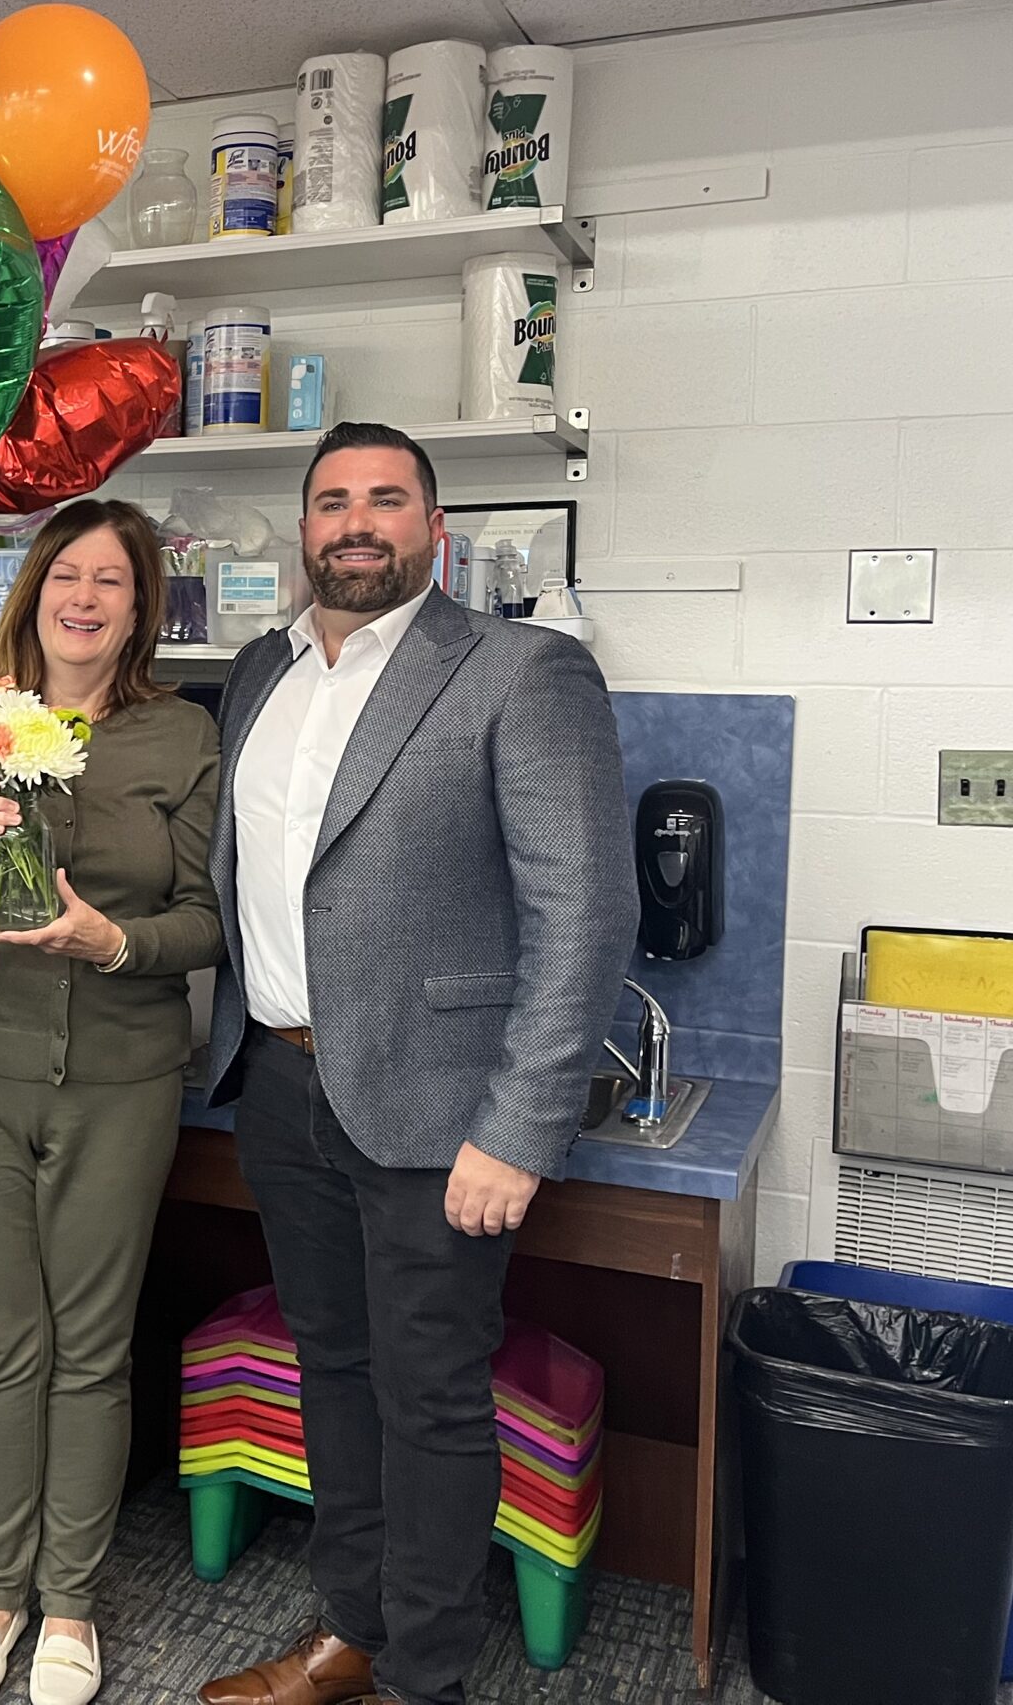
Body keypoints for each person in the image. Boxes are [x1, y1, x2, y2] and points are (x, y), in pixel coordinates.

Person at [195, 422, 636, 1705]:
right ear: (302, 529)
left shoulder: (520, 671)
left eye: (387, 499)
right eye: (332, 500)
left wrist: (518, 1127)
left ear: (433, 531)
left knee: (431, 1399)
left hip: (441, 1111)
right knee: (330, 1372)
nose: (356, 521)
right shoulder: (255, 672)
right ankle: (352, 1633)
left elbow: (585, 911)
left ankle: (423, 1680)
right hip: (281, 1086)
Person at [0, 498, 224, 1705]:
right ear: (33, 590)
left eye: (110, 582)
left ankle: (67, 1608)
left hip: (122, 1078)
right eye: (65, 573)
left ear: (140, 610)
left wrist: (112, 942)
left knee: (90, 1351)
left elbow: (205, 921)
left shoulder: (181, 738)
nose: (83, 597)